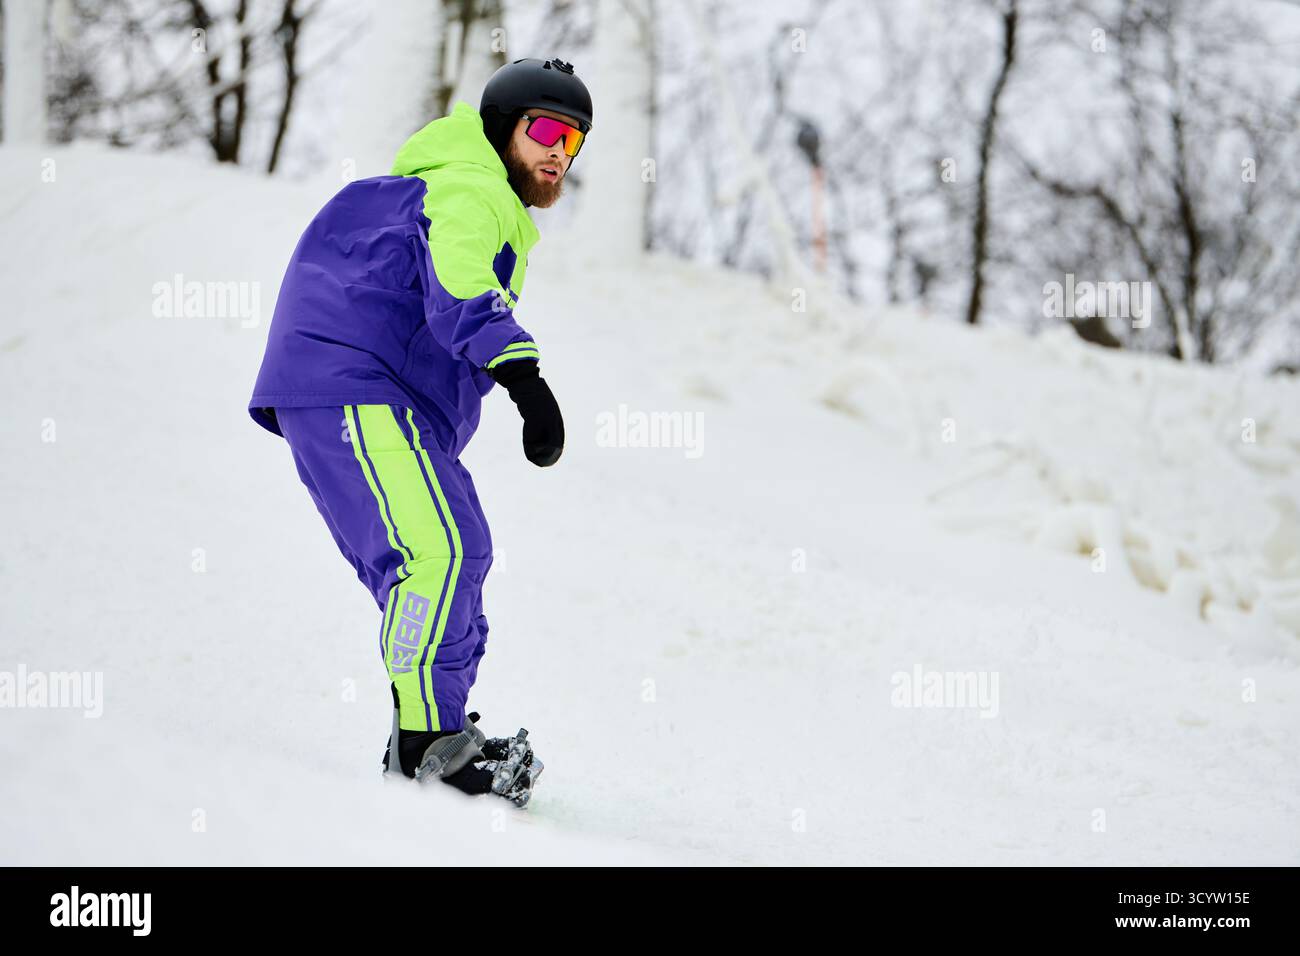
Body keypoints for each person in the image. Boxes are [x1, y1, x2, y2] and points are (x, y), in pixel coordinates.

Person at [246, 58, 593, 807]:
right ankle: (426, 746)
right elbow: (461, 278)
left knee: (452, 547)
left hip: (368, 397)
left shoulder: (462, 189)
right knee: (437, 552)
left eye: (574, 141)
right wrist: (524, 378)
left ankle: (436, 730)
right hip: (355, 387)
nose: (560, 152)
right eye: (546, 130)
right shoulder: (469, 187)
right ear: (502, 129)